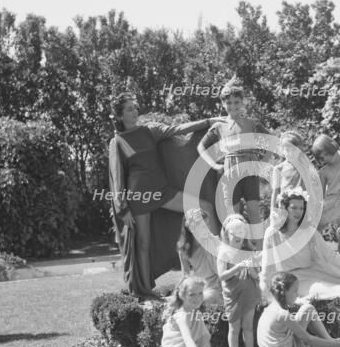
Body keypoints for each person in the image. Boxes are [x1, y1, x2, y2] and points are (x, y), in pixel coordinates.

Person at [108, 92, 221, 297]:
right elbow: (117, 178)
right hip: (138, 197)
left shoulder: (149, 129)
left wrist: (208, 121)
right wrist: (122, 208)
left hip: (163, 191)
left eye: (135, 107)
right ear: (119, 115)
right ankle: (143, 291)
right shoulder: (117, 141)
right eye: (129, 109)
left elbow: (176, 129)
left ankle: (218, 265)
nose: (135, 111)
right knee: (143, 243)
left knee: (205, 207)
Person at [260, 188, 340, 311]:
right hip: (294, 281)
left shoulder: (309, 232)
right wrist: (266, 294)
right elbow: (266, 268)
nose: (298, 212)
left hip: (316, 273)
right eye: (294, 207)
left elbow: (331, 257)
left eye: (301, 208)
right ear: (285, 208)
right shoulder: (273, 233)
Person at [198, 76, 271, 246]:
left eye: (236, 102)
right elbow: (201, 147)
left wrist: (262, 163)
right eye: (228, 103)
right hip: (230, 172)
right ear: (223, 104)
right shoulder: (219, 126)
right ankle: (233, 252)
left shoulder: (252, 123)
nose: (233, 106)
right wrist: (214, 165)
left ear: (243, 102)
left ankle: (260, 251)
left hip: (250, 171)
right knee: (233, 216)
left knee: (254, 211)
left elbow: (271, 141)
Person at [257, 271, 340, 347]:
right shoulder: (282, 314)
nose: (297, 294)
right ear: (284, 292)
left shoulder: (270, 308)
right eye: (295, 291)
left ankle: (331, 340)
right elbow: (308, 339)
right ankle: (334, 344)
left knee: (308, 308)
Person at [161, 277, 239, 347]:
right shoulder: (181, 316)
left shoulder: (194, 312)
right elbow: (188, 341)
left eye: (200, 293)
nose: (197, 298)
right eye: (192, 294)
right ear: (182, 295)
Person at [217, 214, 262, 347]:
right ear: (227, 234)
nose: (238, 236)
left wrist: (252, 270)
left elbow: (257, 276)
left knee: (248, 327)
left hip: (249, 294)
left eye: (241, 233)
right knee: (234, 328)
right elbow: (222, 276)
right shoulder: (224, 252)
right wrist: (237, 268)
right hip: (232, 295)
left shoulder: (249, 252)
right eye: (234, 233)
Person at [177, 209, 223, 306]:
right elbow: (186, 274)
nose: (207, 229)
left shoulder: (211, 242)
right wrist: (178, 293)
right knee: (180, 303)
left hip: (217, 285)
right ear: (191, 228)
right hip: (200, 286)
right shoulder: (184, 248)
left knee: (202, 301)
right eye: (203, 226)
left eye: (208, 225)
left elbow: (219, 271)